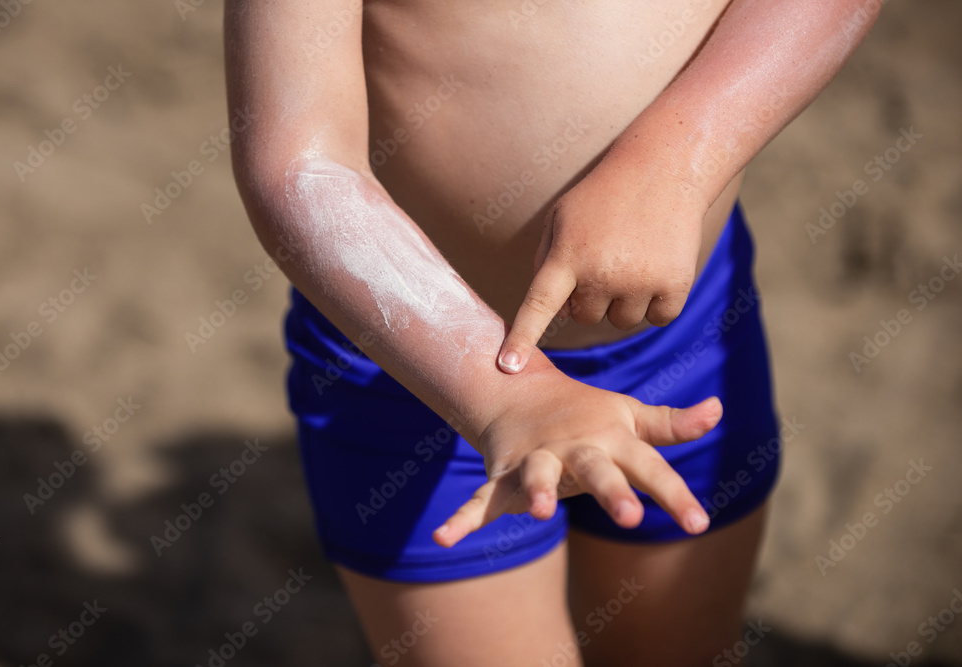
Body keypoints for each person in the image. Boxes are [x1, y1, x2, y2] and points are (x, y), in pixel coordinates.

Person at [224, 0, 877, 664]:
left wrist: (680, 155)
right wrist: (506, 395)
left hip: (686, 339)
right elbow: (303, 167)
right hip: (417, 370)